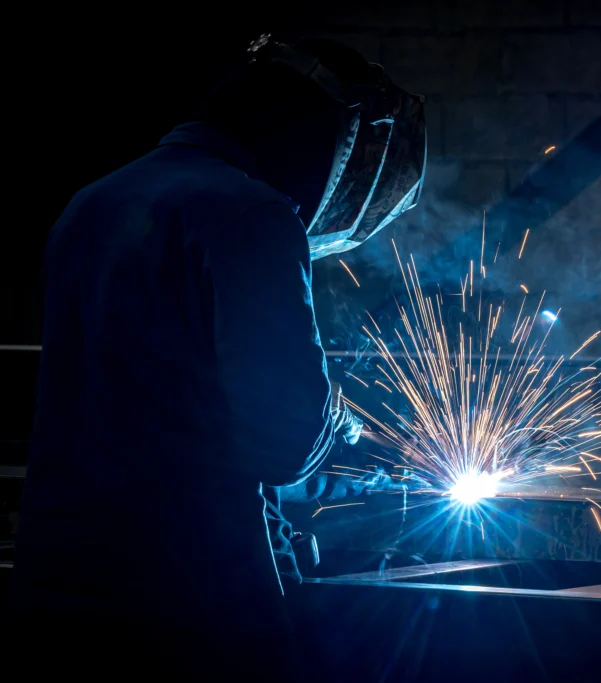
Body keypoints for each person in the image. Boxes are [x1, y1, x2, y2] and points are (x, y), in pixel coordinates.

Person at [9, 33, 426, 677]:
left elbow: (151, 410)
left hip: (54, 591)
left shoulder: (91, 204)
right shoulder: (249, 214)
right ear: (315, 135)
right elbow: (284, 441)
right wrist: (351, 429)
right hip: (191, 606)